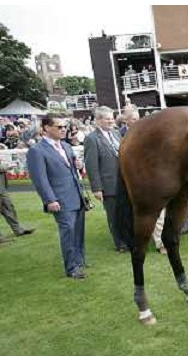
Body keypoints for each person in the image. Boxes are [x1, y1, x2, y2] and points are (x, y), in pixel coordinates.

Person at [26, 113, 87, 279]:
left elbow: (71, 170)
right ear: (46, 128)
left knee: (79, 232)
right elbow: (40, 179)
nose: (63, 129)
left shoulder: (66, 146)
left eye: (64, 126)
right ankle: (72, 268)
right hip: (59, 199)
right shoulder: (36, 151)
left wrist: (78, 166)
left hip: (76, 195)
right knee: (68, 232)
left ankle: (80, 260)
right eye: (59, 127)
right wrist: (50, 199)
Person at [84, 106, 128, 252]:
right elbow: (91, 165)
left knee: (125, 213)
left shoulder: (116, 134)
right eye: (107, 118)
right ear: (98, 120)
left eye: (112, 118)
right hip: (108, 185)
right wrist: (97, 188)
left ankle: (129, 239)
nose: (111, 121)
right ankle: (120, 244)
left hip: (123, 182)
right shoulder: (91, 139)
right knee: (114, 216)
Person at [0, 159, 35, 242]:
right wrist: (8, 166)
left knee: (9, 209)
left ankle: (18, 230)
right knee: (8, 209)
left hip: (2, 189)